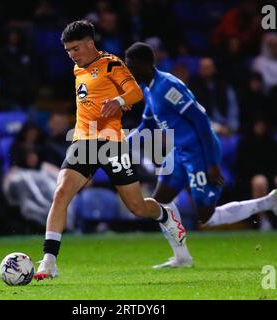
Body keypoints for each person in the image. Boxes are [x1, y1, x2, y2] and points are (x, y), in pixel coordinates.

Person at [34, 21, 186, 280]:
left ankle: (164, 213)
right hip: (83, 142)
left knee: (136, 207)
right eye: (68, 50)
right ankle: (48, 261)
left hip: (111, 144)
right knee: (61, 193)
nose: (72, 54)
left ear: (90, 44)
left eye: (76, 48)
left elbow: (135, 92)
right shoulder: (76, 69)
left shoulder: (111, 64)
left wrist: (118, 100)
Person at [124, 42, 277, 268]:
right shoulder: (149, 89)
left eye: (132, 67)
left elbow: (201, 120)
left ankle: (269, 201)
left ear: (146, 65)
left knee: (206, 216)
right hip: (180, 150)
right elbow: (146, 125)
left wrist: (213, 163)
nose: (129, 72)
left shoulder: (168, 87)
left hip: (200, 152)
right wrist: (121, 144)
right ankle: (182, 257)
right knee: (160, 201)